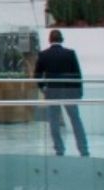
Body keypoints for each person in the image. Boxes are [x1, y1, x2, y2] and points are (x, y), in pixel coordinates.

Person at [35, 28, 89, 157]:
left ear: (50, 40)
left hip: (52, 92)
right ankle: (83, 149)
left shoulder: (43, 55)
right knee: (75, 120)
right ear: (61, 39)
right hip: (69, 92)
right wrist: (79, 91)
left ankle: (59, 149)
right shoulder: (70, 54)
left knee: (53, 121)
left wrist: (42, 87)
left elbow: (37, 74)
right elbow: (77, 74)